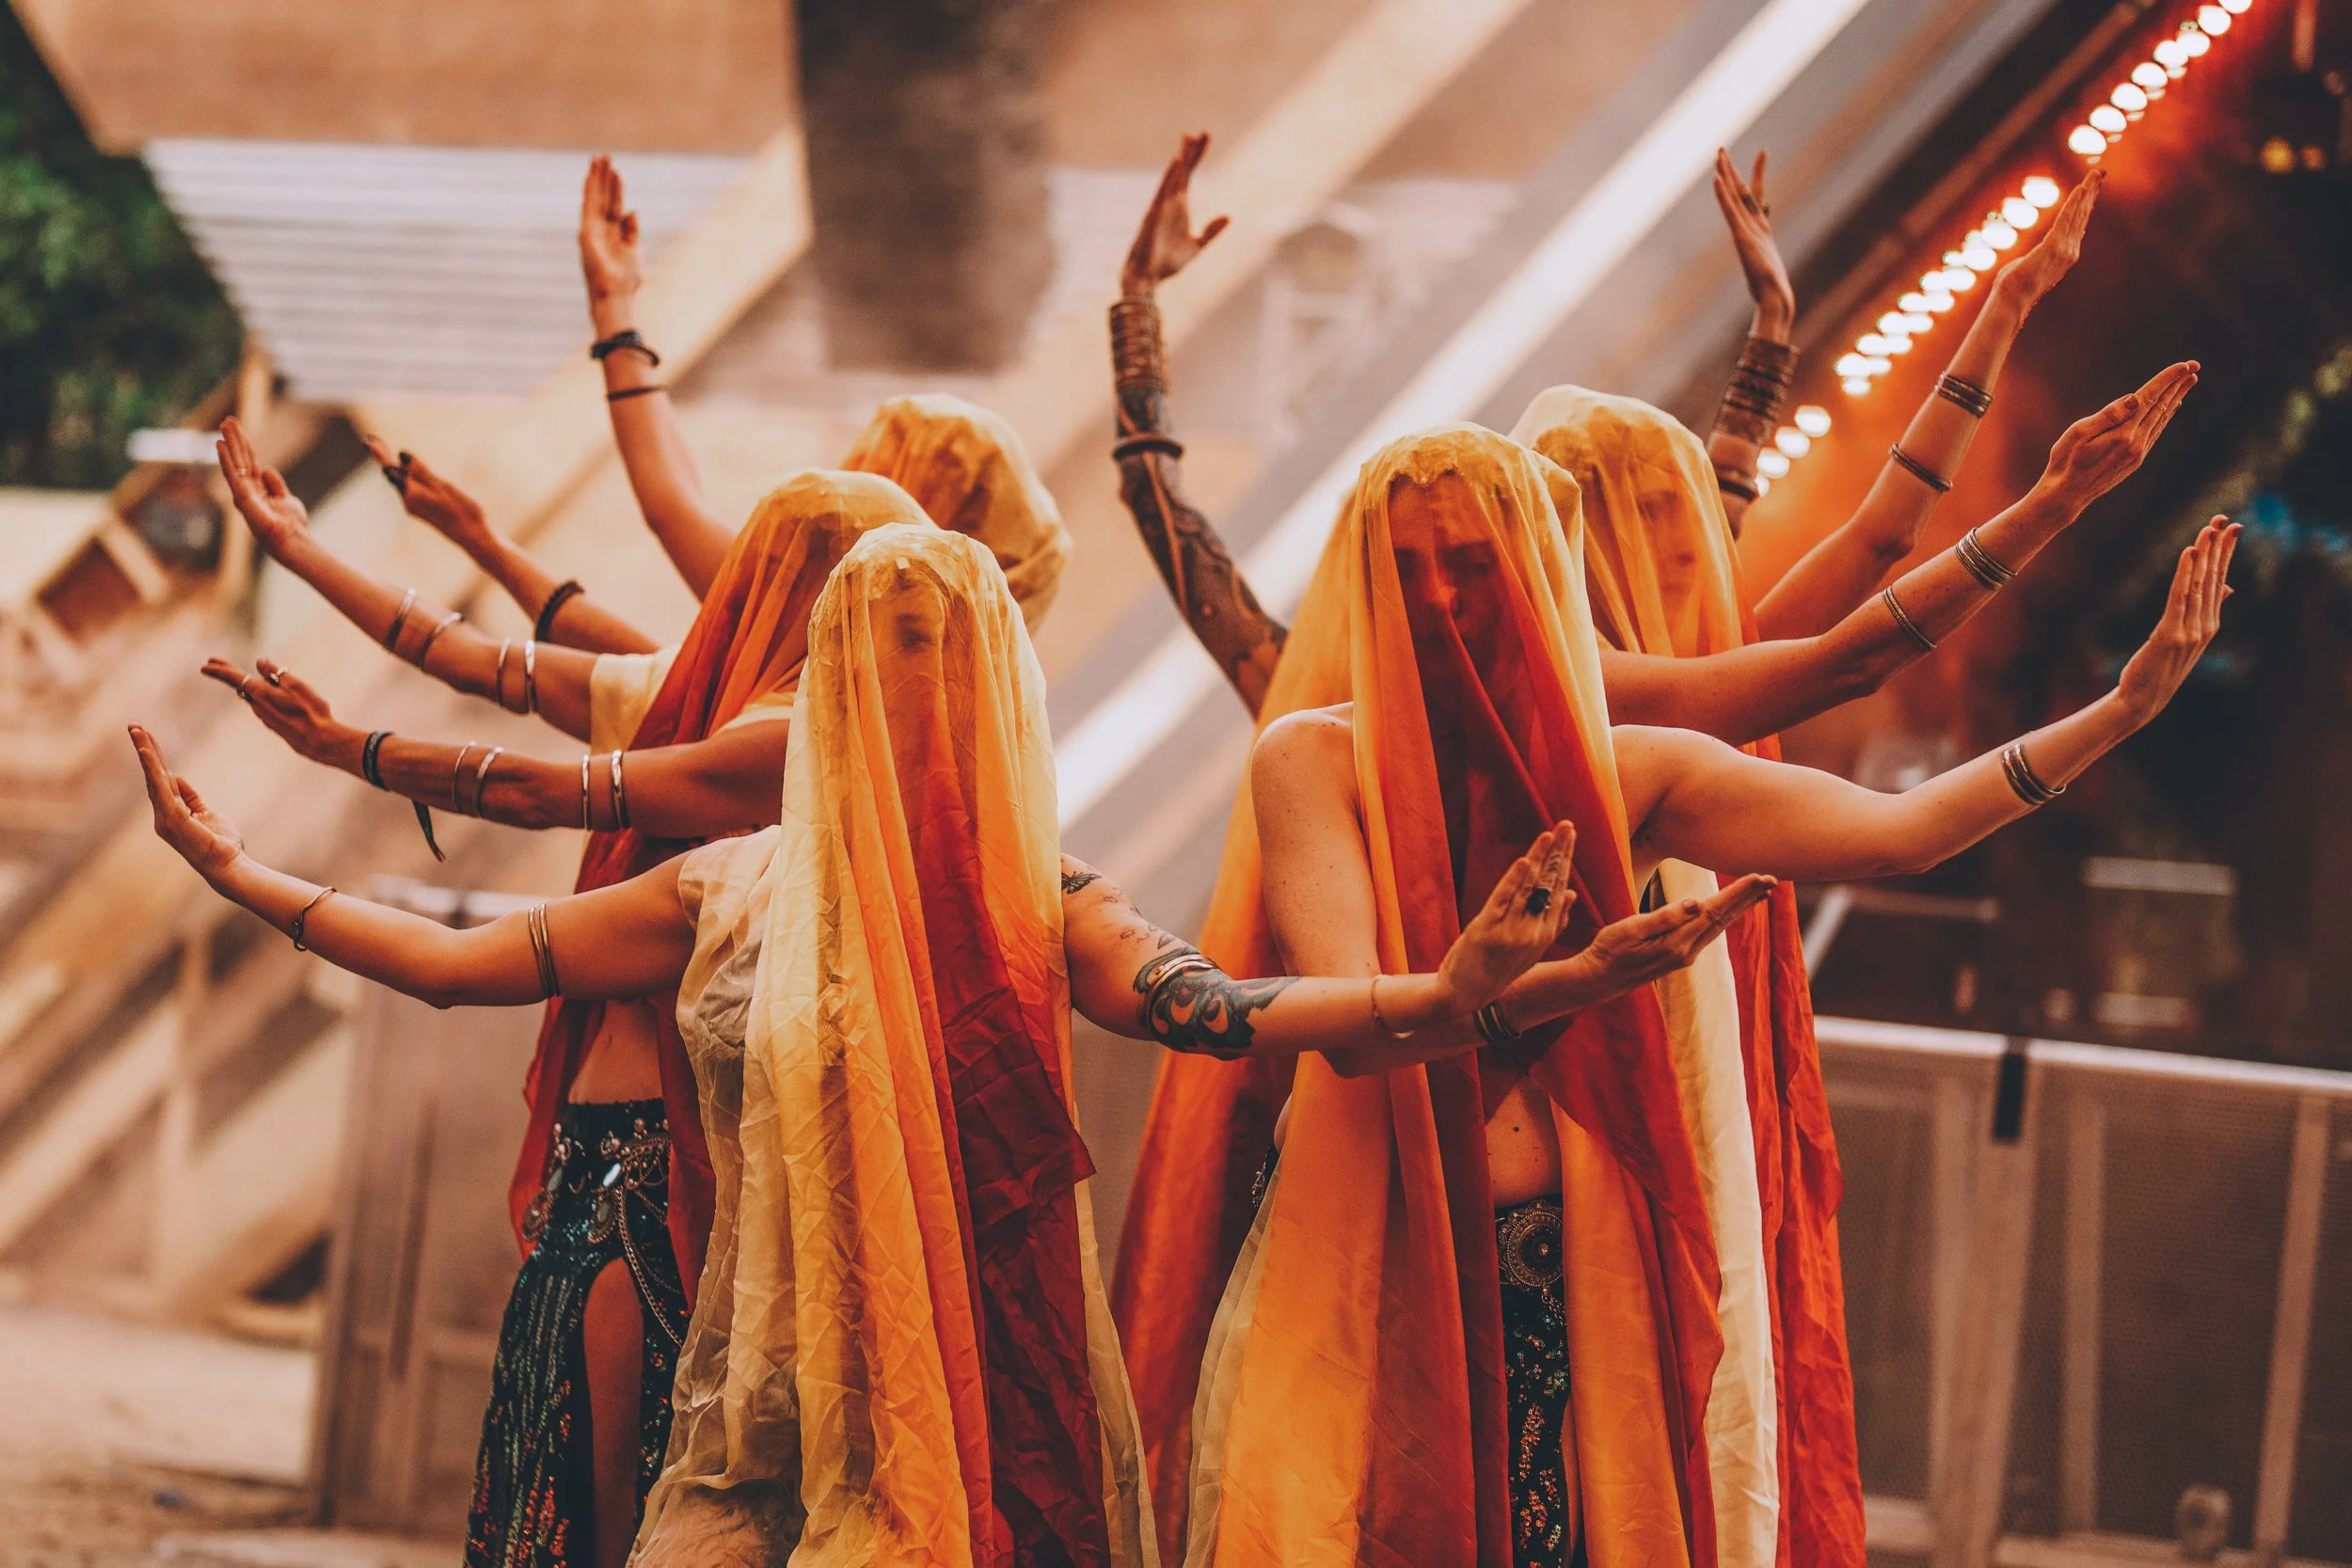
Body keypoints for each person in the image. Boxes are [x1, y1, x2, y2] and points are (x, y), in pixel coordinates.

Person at [129, 525, 1768, 1566]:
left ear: (994, 691)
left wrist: (1462, 995)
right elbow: (447, 960)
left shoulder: (1039, 903)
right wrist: (236, 871)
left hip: (985, 1420)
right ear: (831, 682)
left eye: (945, 659)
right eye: (880, 655)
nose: (912, 691)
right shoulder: (726, 890)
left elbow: (1233, 1009)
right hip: (749, 1411)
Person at [1176, 426, 2233, 1567]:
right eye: (1407, 563)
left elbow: (1893, 830)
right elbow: (1358, 1034)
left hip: (1570, 1267)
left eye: (1470, 562)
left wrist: (2120, 708)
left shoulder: (1622, 766)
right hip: (1359, 1250)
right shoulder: (1310, 760)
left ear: (1533, 569)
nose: (1436, 594)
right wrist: (1537, 982)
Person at [356, 155, 1068, 650]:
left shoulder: (823, 690)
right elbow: (668, 531)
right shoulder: (811, 642)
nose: (858, 471)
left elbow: (562, 722)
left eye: (893, 467)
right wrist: (615, 310)